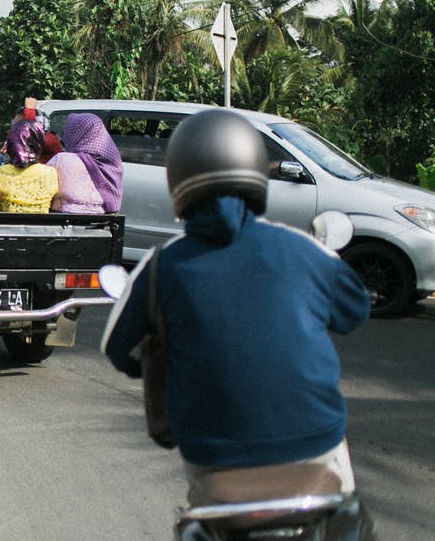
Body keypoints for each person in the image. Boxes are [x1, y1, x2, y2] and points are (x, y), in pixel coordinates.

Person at [101, 109, 371, 507]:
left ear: (178, 180)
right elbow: (355, 308)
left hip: (213, 457)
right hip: (315, 445)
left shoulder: (161, 267)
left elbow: (119, 350)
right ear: (255, 171)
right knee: (349, 520)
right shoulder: (302, 249)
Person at [53, 113, 122, 213]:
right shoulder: (114, 162)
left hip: (63, 217)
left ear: (74, 134)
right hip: (101, 217)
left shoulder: (62, 160)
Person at [0, 119, 59, 213]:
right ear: (38, 143)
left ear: (11, 145)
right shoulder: (50, 174)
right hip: (41, 222)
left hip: (5, 222)